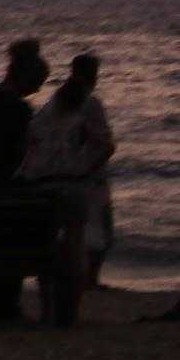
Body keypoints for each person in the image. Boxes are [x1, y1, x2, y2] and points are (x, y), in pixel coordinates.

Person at [17, 66, 115, 285]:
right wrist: (89, 167)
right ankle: (81, 282)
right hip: (73, 185)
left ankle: (62, 282)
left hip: (43, 187)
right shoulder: (82, 114)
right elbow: (105, 146)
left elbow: (29, 155)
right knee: (78, 238)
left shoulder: (42, 119)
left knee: (54, 239)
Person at [0, 38, 48, 318]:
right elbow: (25, 152)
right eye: (38, 82)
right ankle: (8, 303)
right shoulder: (20, 110)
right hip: (12, 189)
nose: (38, 89)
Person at [69, 53, 116, 288]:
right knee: (101, 232)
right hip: (91, 175)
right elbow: (104, 142)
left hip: (74, 174)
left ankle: (84, 277)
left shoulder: (64, 102)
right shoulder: (91, 103)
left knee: (84, 230)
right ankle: (91, 279)